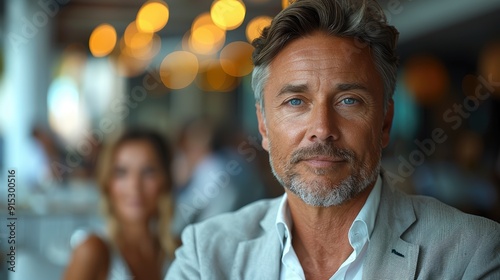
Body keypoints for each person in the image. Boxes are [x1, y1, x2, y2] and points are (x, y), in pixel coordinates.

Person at [166, 0, 500, 279]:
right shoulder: (205, 255)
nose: (322, 128)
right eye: (296, 101)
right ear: (264, 126)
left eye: (349, 100)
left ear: (385, 123)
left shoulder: (471, 253)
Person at [64, 129, 177, 280]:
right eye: (121, 172)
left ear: (165, 180)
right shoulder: (92, 250)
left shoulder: (179, 250)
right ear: (107, 183)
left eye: (148, 171)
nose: (134, 186)